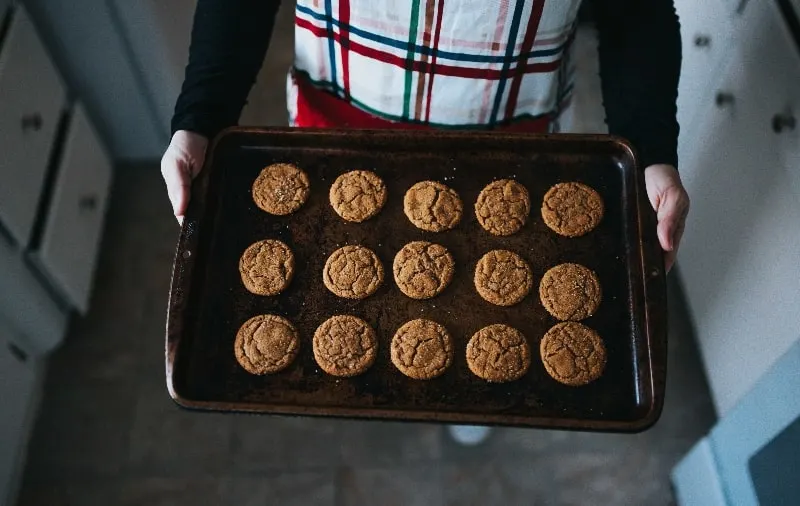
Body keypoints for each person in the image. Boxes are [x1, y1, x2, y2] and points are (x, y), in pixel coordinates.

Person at [161, 0, 689, 445]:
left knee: (479, 347)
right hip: (337, 126)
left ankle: (472, 405)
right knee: (347, 251)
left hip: (514, 141)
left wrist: (650, 147)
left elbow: (636, 11)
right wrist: (202, 116)